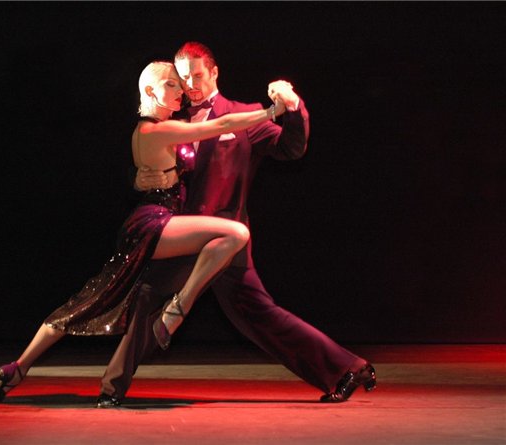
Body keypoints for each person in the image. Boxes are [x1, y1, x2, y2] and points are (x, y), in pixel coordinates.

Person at [0, 60, 287, 402]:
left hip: (152, 221)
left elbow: (156, 172)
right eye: (171, 84)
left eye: (179, 84)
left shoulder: (154, 129)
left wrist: (143, 179)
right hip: (154, 222)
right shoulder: (156, 130)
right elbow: (224, 124)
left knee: (90, 301)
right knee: (235, 234)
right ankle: (177, 309)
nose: (180, 90)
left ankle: (15, 370)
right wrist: (270, 112)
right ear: (149, 90)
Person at [96, 42, 376, 408]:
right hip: (182, 234)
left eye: (198, 75)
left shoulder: (243, 116)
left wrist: (292, 106)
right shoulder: (173, 120)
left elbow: (291, 148)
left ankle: (348, 369)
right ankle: (111, 389)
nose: (191, 84)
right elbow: (153, 170)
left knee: (259, 316)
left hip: (225, 240)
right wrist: (140, 180)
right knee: (149, 299)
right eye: (184, 78)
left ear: (214, 73)